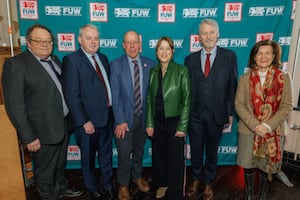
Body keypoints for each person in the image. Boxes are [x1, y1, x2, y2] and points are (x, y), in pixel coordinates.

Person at [1, 24, 83, 200]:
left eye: (48, 41)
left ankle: (60, 187)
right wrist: (28, 136)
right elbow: (14, 106)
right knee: (45, 172)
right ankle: (48, 196)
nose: (45, 44)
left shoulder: (54, 60)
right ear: (28, 43)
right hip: (41, 132)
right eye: (39, 41)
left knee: (59, 165)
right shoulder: (16, 65)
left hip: (62, 125)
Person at [184, 19, 238, 200]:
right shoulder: (189, 60)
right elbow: (186, 91)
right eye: (204, 33)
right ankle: (196, 179)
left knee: (212, 151)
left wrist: (229, 112)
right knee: (196, 150)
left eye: (211, 32)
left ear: (217, 34)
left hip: (217, 114)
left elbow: (232, 86)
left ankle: (208, 182)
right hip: (195, 115)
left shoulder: (229, 57)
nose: (208, 36)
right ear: (199, 37)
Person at [234, 40, 293, 200]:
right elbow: (239, 104)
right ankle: (249, 195)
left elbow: (287, 105)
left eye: (268, 53)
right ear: (254, 57)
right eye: (259, 53)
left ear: (274, 56)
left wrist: (267, 125)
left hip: (274, 131)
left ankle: (262, 196)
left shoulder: (283, 77)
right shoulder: (245, 78)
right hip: (249, 130)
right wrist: (255, 125)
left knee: (268, 167)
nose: (263, 57)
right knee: (248, 164)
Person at [61, 24, 113, 200]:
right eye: (89, 38)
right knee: (88, 159)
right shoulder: (71, 60)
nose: (93, 41)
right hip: (88, 123)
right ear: (79, 39)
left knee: (106, 156)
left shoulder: (103, 58)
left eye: (96, 38)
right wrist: (84, 121)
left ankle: (107, 185)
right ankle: (92, 188)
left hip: (106, 118)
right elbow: (71, 95)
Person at [110, 30, 155, 200]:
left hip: (143, 119)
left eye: (135, 42)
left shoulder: (150, 64)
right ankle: (123, 184)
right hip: (124, 120)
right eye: (128, 42)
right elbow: (115, 95)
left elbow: (152, 95)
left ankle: (137, 177)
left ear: (140, 45)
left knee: (138, 151)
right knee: (123, 154)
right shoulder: (116, 64)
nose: (132, 46)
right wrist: (120, 120)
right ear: (123, 45)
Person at [146, 36, 191, 199]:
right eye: (161, 48)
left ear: (172, 52)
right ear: (156, 52)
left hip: (175, 122)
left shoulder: (181, 71)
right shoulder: (152, 72)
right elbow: (150, 101)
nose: (164, 52)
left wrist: (182, 126)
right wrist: (149, 123)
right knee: (159, 157)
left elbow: (187, 101)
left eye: (167, 48)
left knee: (176, 160)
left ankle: (176, 192)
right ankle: (163, 184)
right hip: (157, 122)